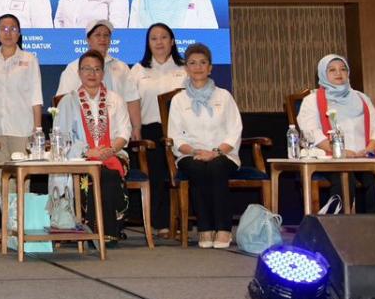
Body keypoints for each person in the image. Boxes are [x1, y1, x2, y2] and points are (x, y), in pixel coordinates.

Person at [166, 44, 241, 248]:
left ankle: (224, 229)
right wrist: (195, 151)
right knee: (198, 168)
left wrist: (216, 152)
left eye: (202, 63)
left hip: (223, 154)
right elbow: (175, 136)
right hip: (190, 154)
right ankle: (205, 228)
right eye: (192, 63)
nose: (197, 67)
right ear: (186, 68)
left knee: (216, 167)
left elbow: (235, 130)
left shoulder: (224, 96)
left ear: (210, 68)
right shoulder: (179, 100)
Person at [296, 54, 375, 214]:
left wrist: (369, 150)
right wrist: (339, 152)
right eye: (332, 70)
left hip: (362, 157)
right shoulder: (312, 100)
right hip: (330, 158)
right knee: (344, 178)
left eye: (343, 69)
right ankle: (339, 225)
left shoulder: (361, 98)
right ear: (323, 74)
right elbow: (311, 131)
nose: (339, 73)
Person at [55, 50, 131, 242]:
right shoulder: (68, 101)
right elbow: (61, 138)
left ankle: (101, 232)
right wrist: (88, 151)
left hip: (114, 153)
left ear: (103, 73)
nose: (92, 73)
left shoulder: (115, 99)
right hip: (80, 157)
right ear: (79, 73)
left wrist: (109, 151)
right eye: (87, 69)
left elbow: (124, 133)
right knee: (100, 174)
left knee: (107, 173)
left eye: (97, 69)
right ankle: (104, 231)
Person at [129, 23, 187, 236]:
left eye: (164, 37)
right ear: (148, 43)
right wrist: (135, 129)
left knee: (181, 173)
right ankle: (160, 222)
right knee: (156, 174)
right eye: (154, 38)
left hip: (181, 131)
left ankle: (181, 220)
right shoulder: (138, 70)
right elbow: (132, 101)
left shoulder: (185, 68)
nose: (159, 42)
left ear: (172, 41)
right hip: (150, 130)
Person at [0, 14, 43, 172]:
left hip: (22, 130)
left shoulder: (30, 59)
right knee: (0, 177)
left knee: (21, 177)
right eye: (3, 29)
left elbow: (36, 98)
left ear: (19, 33)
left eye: (13, 29)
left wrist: (37, 131)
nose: (8, 33)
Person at [55, 20, 141, 139]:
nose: (102, 39)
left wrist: (136, 128)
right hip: (82, 137)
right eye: (98, 35)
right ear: (88, 40)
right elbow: (62, 102)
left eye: (106, 35)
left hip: (117, 135)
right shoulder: (73, 68)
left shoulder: (122, 68)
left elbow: (132, 99)